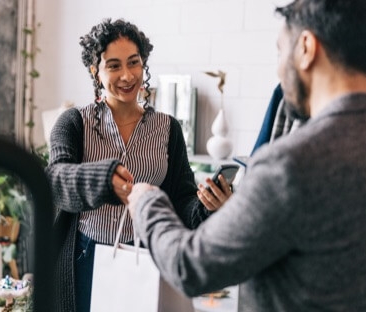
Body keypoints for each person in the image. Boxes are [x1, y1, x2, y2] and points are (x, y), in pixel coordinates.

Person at [128, 0, 366, 311]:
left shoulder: (289, 166)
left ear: (306, 47)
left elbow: (189, 267)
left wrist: (147, 203)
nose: (278, 68)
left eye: (279, 51)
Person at [45, 18, 230, 312]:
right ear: (96, 71)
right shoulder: (74, 123)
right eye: (114, 65)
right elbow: (56, 180)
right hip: (85, 255)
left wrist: (208, 205)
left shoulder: (167, 128)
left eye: (134, 62)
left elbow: (180, 201)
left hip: (147, 255)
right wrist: (105, 181)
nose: (127, 75)